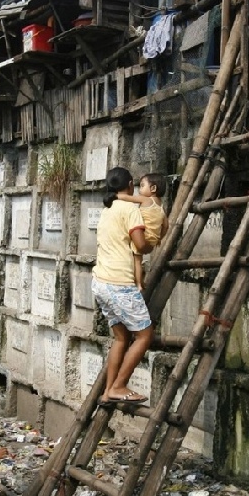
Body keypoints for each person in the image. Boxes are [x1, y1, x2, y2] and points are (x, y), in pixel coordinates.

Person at [92, 166, 155, 405]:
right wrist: (151, 244)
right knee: (144, 335)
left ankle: (109, 390)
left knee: (121, 338)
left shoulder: (107, 210)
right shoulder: (130, 209)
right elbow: (140, 244)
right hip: (119, 283)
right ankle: (119, 385)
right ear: (130, 185)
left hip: (100, 282)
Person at [116, 173, 169, 291]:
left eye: (142, 186)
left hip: (142, 237)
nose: (139, 190)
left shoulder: (146, 200)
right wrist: (159, 238)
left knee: (137, 260)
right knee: (139, 259)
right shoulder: (160, 205)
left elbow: (128, 198)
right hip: (153, 238)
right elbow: (166, 225)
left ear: (153, 188)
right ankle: (142, 281)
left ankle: (139, 283)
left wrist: (116, 196)